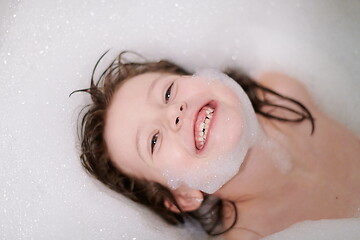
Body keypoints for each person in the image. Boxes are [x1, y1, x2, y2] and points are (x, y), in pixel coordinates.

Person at [72, 51, 360, 240]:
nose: (172, 113)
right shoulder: (257, 235)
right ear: (182, 196)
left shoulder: (285, 89)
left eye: (168, 92)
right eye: (154, 141)